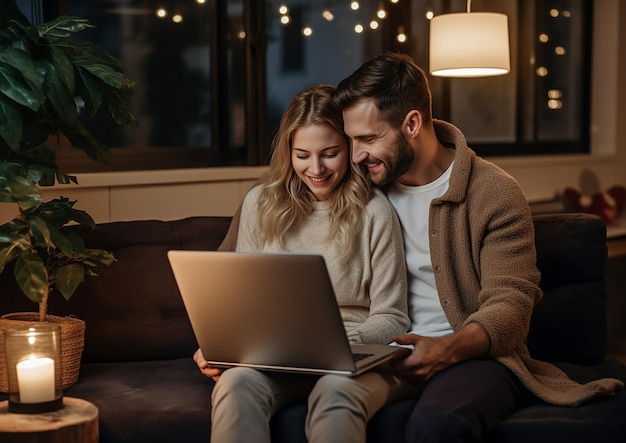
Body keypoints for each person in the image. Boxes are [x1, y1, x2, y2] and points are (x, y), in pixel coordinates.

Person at [331, 52, 623, 442]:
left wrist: (446, 350)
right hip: (376, 351)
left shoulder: (493, 191)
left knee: (438, 425)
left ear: (412, 123)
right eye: (350, 140)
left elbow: (511, 305)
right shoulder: (358, 187)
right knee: (329, 407)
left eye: (368, 138)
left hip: (471, 356)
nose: (357, 155)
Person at [193, 85, 416, 443]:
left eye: (330, 153)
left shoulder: (375, 212)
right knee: (236, 386)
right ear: (288, 153)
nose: (316, 169)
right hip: (275, 356)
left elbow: (392, 318)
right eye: (302, 155)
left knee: (335, 394)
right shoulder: (259, 204)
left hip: (351, 356)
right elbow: (244, 305)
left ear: (349, 148)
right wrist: (222, 343)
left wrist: (330, 342)